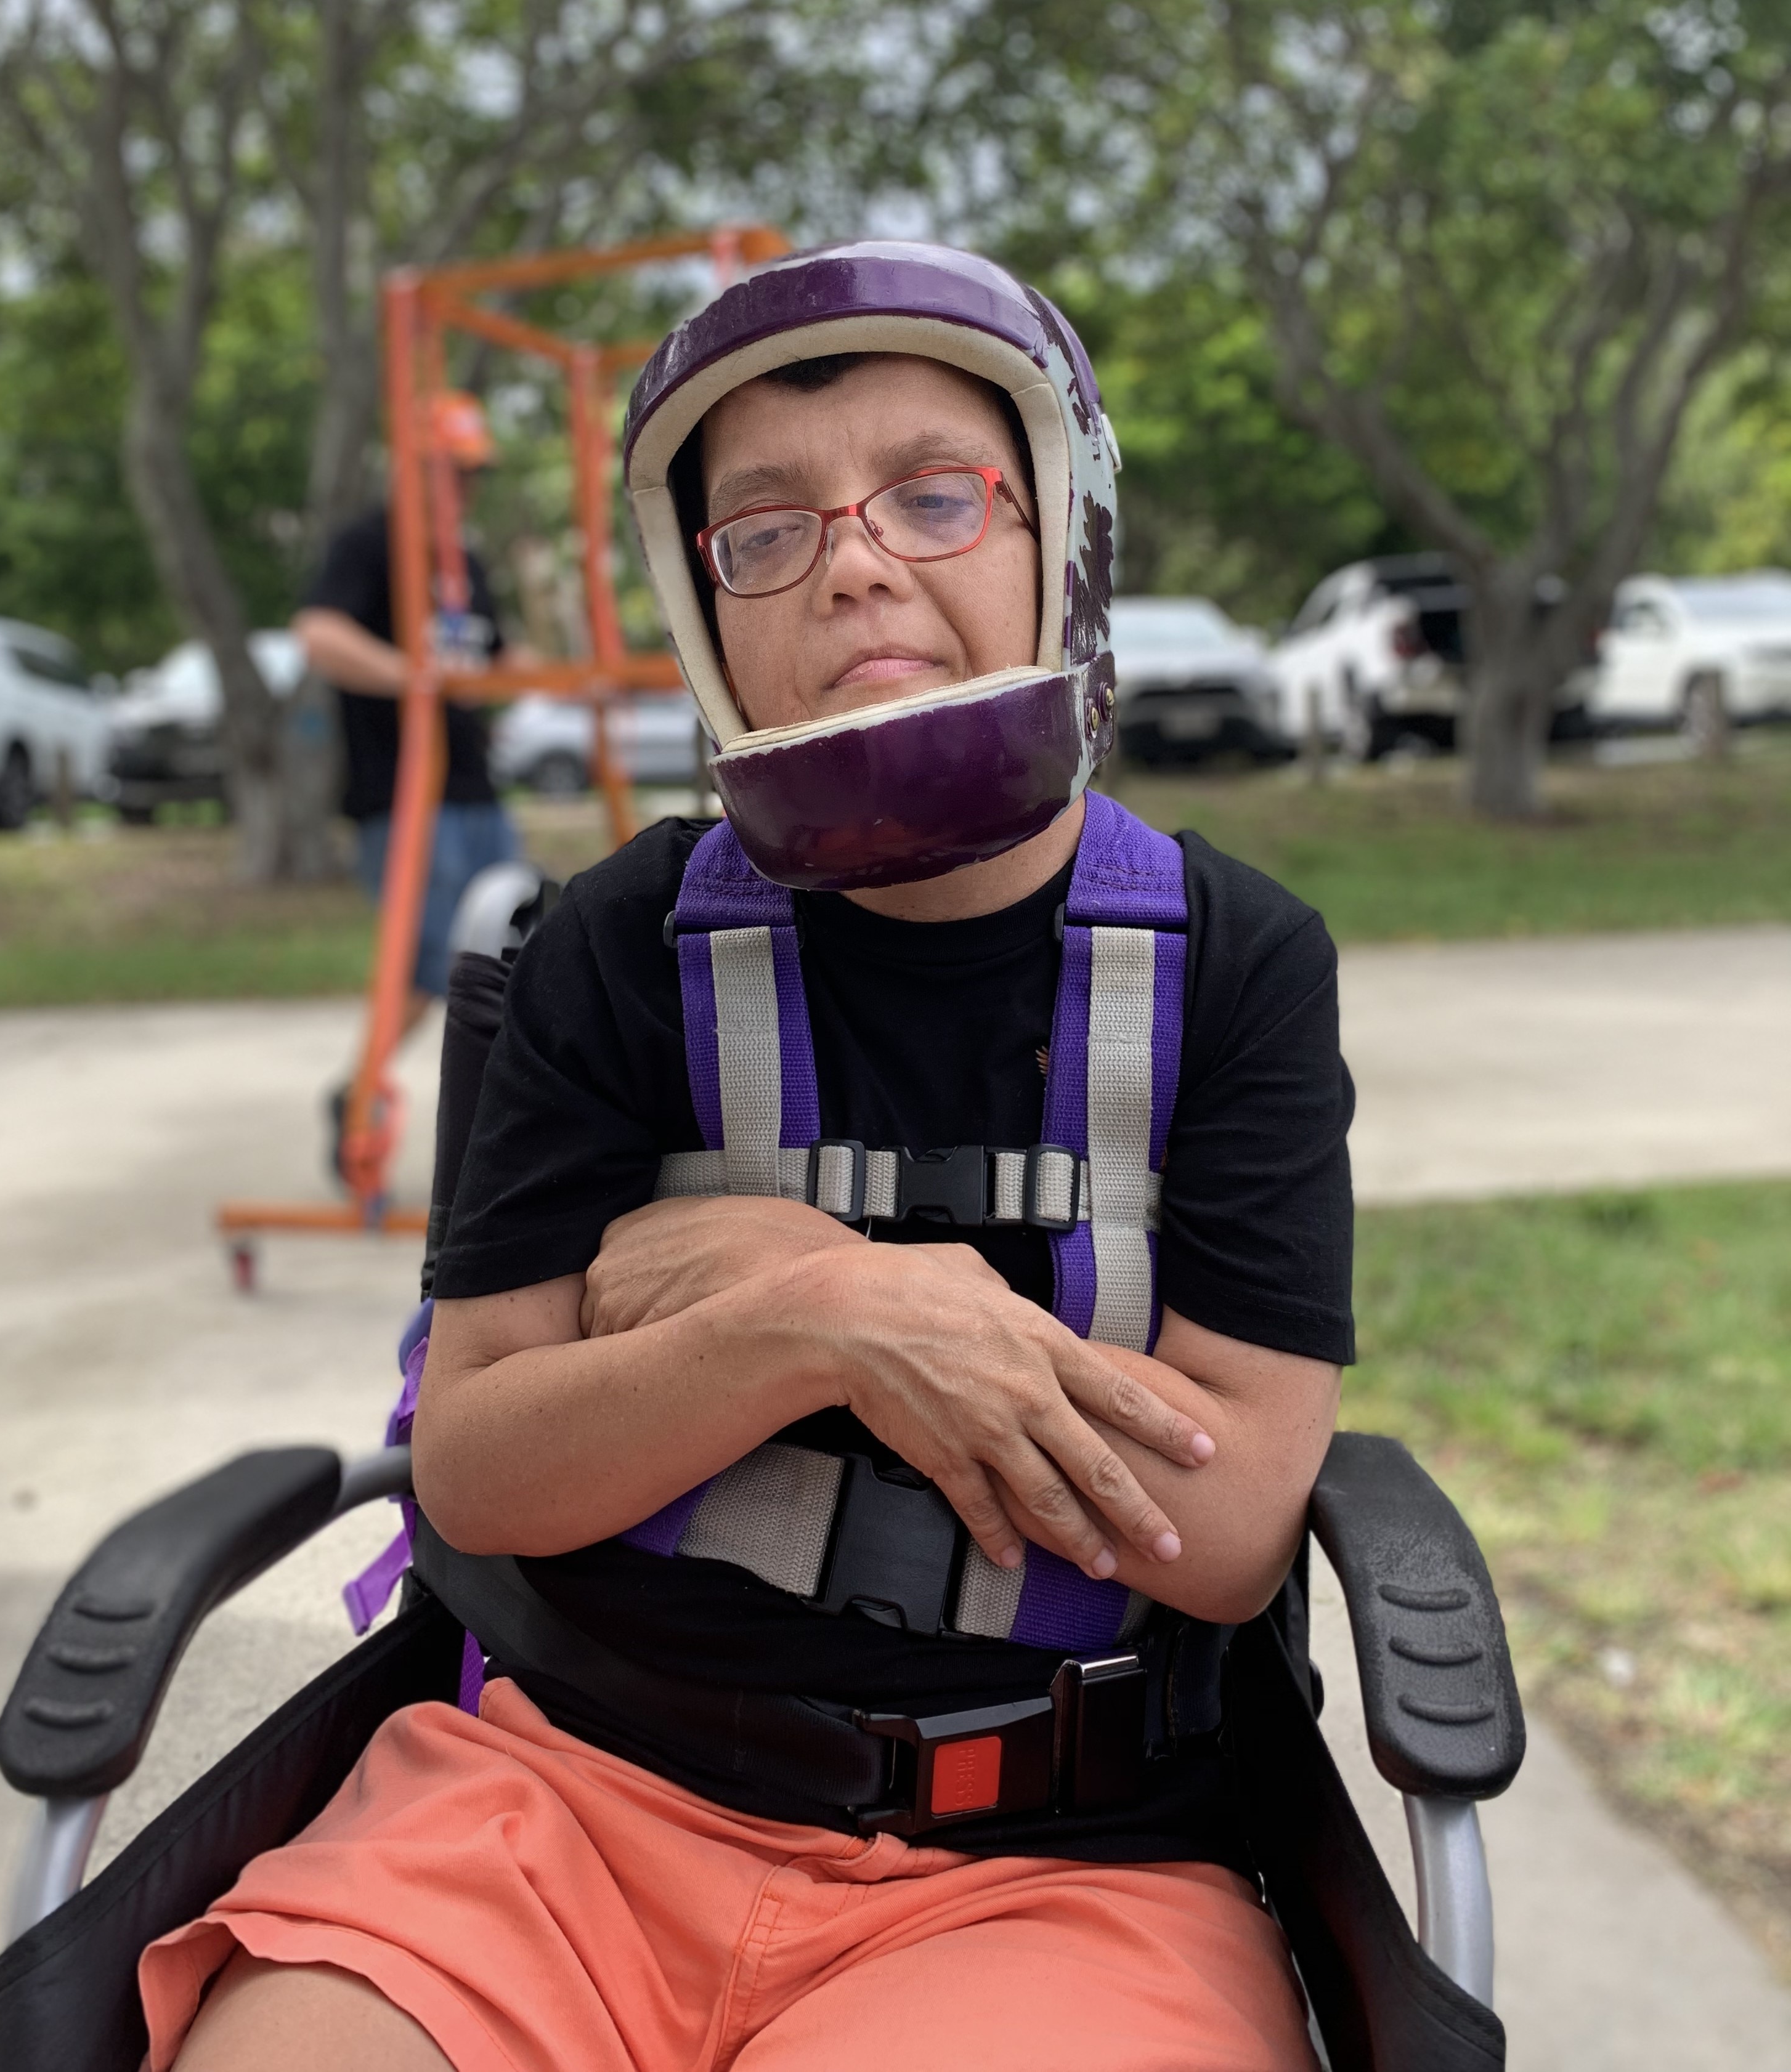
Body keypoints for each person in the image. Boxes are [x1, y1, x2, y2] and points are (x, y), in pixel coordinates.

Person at [142, 245, 1354, 2072]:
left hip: (1050, 1866)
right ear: (706, 603)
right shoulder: (610, 945)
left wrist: (744, 1274)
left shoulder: (1235, 963)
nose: (852, 561)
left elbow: (1236, 1523)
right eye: (767, 529)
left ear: (1064, 532)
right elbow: (477, 1462)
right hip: (564, 1806)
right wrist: (817, 1316)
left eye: (934, 494)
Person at [293, 392, 522, 1169]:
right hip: (404, 793)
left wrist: (570, 681)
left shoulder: (464, 564)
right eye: (452, 473)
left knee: (513, 947)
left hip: (475, 789)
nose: (465, 489)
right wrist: (411, 677)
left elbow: (495, 660)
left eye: (473, 475)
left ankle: (503, 1121)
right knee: (435, 964)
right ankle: (361, 1094)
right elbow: (319, 634)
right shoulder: (371, 546)